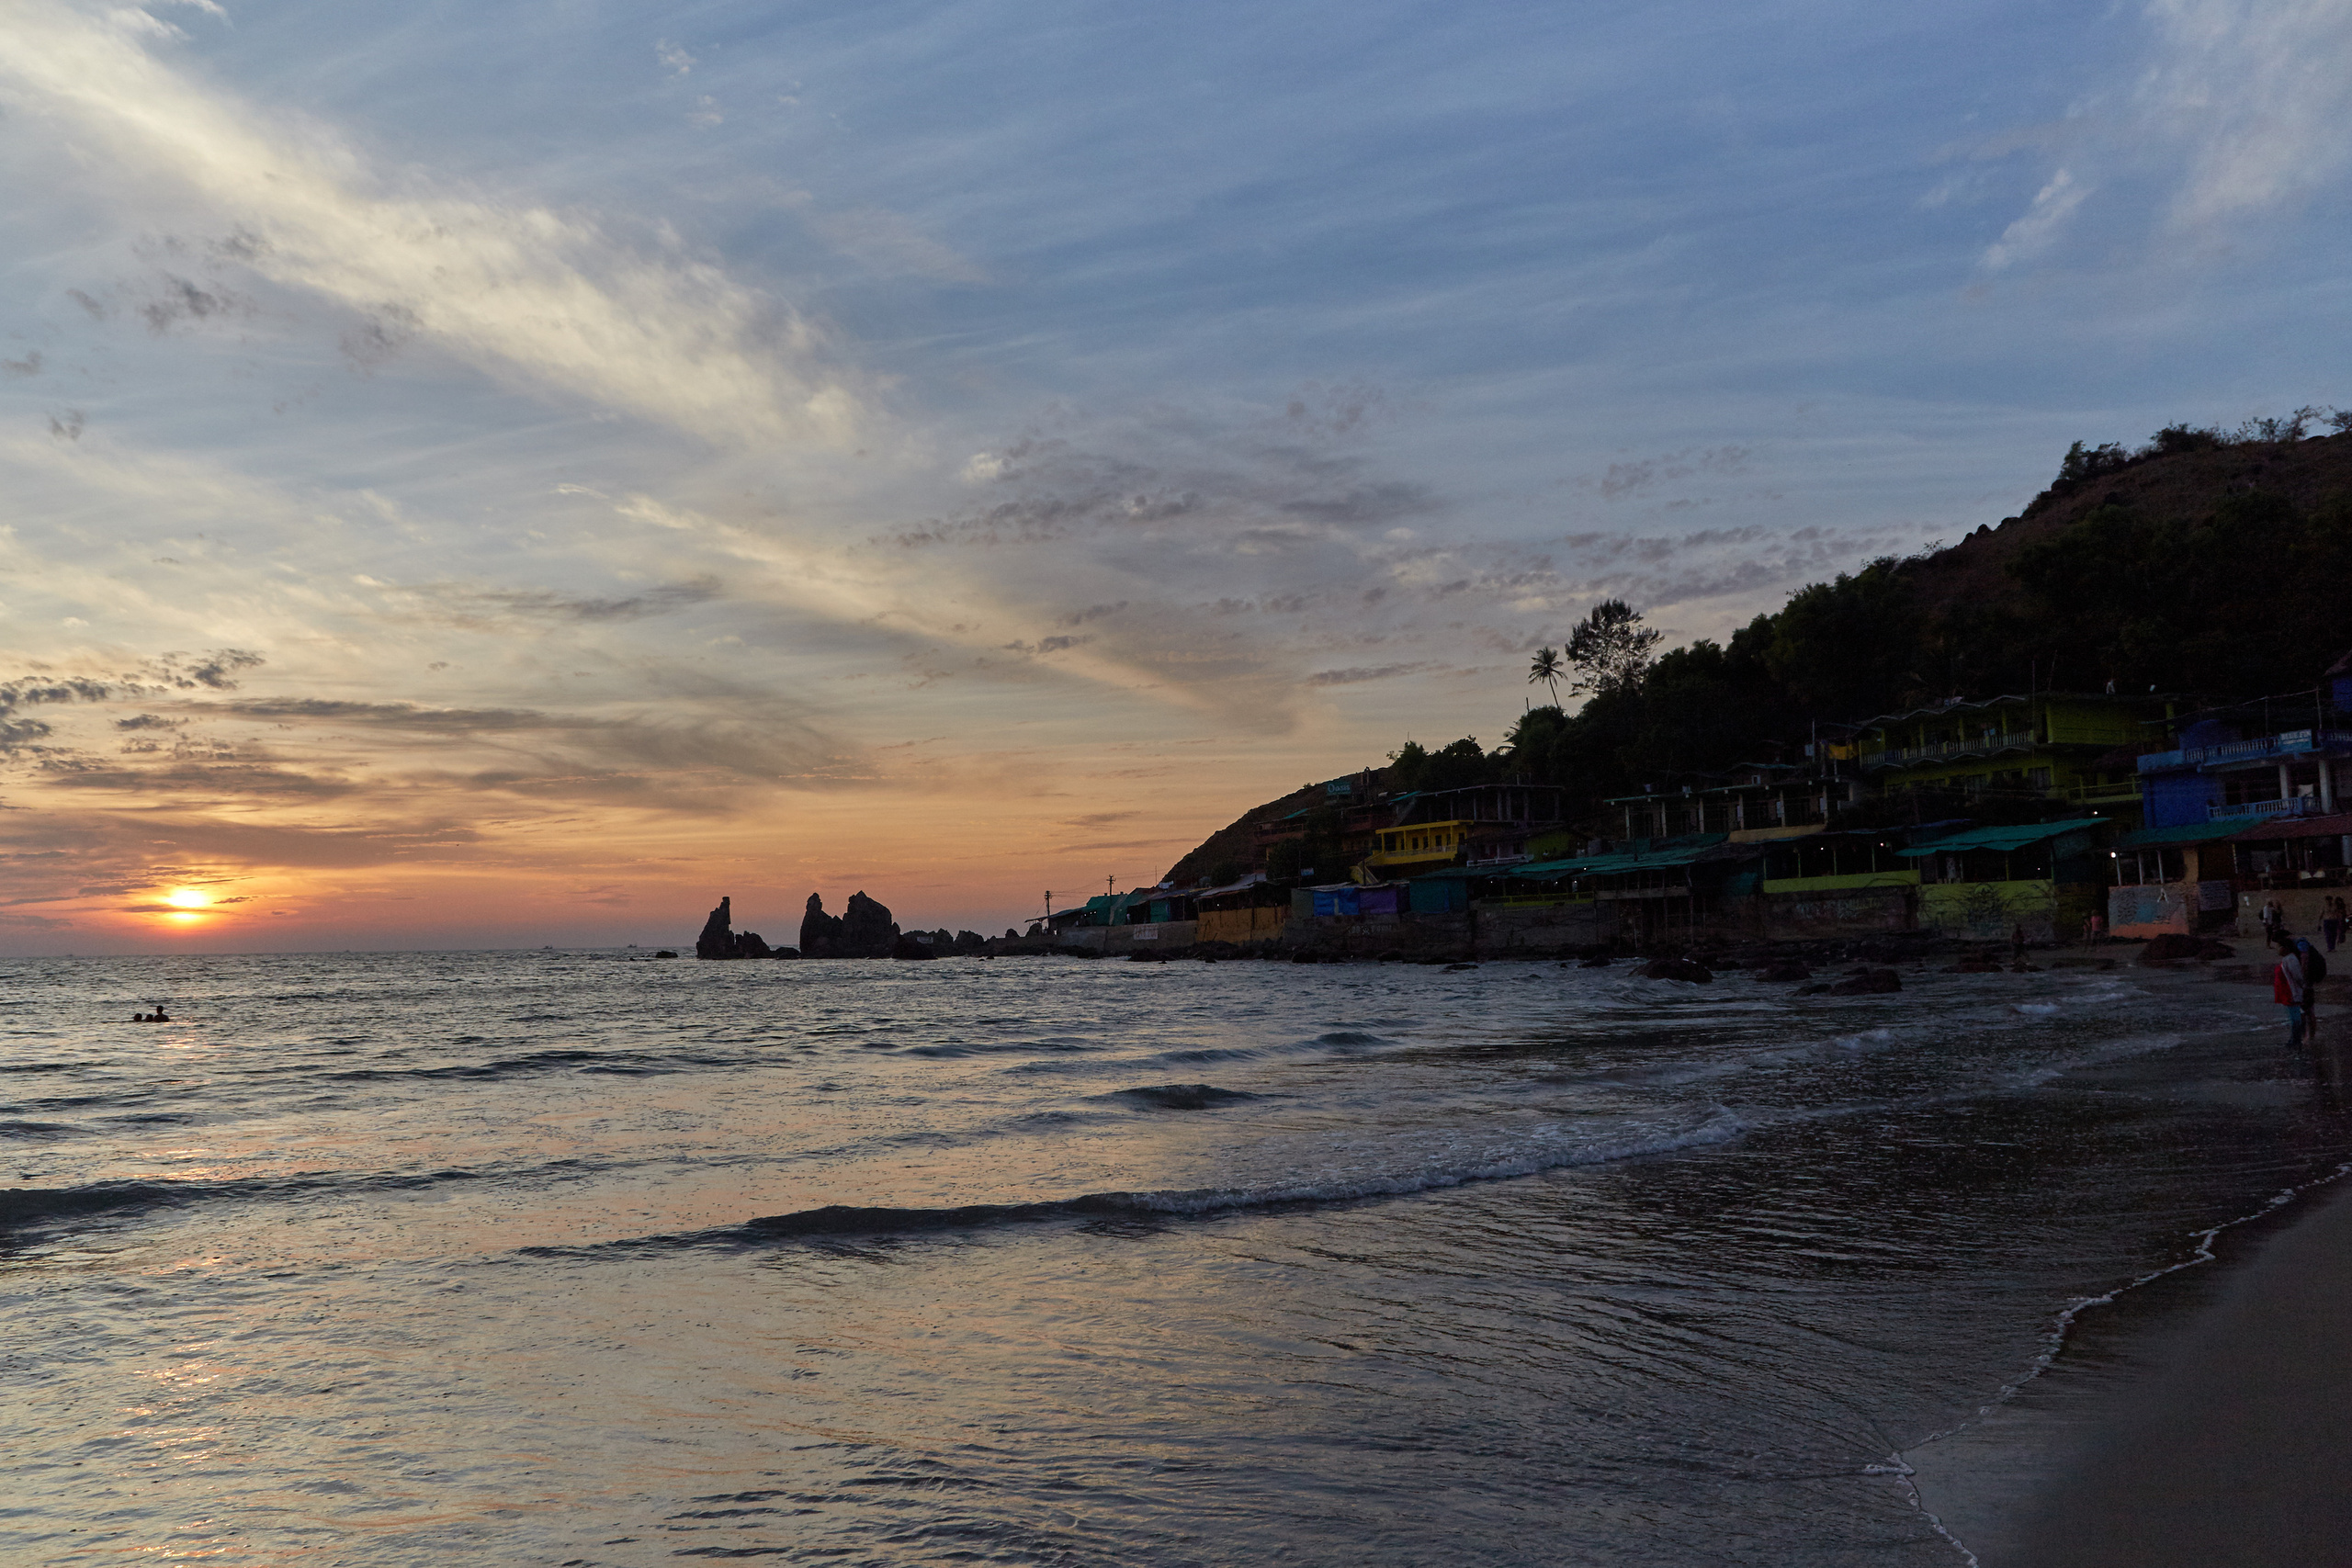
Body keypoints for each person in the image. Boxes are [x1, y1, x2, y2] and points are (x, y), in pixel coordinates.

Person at [2275, 934, 2313, 1051]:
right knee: (2295, 1016)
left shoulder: (2290, 959)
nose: (2278, 949)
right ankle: (2295, 1039)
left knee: (2295, 1017)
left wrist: (2303, 988)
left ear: (2285, 948)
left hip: (2292, 993)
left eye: (2279, 947)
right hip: (2289, 992)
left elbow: (2298, 977)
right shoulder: (2288, 959)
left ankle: (2296, 1040)